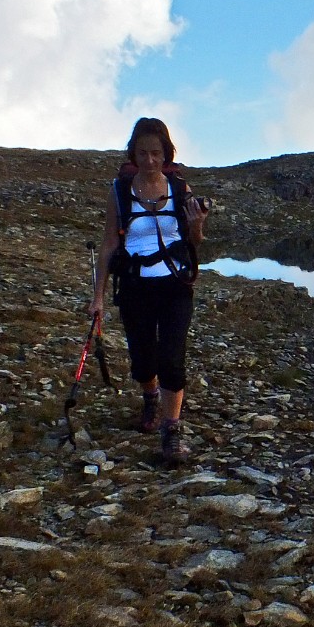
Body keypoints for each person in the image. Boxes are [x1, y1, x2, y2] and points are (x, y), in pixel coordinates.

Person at [92, 117, 207, 464]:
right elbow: (109, 244)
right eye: (142, 153)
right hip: (135, 287)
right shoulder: (119, 191)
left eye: (156, 153)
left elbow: (194, 241)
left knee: (171, 360)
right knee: (143, 363)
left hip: (175, 286)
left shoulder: (179, 188)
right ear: (133, 154)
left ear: (166, 153)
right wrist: (97, 297)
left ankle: (171, 430)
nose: (150, 160)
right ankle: (150, 395)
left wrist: (197, 225)